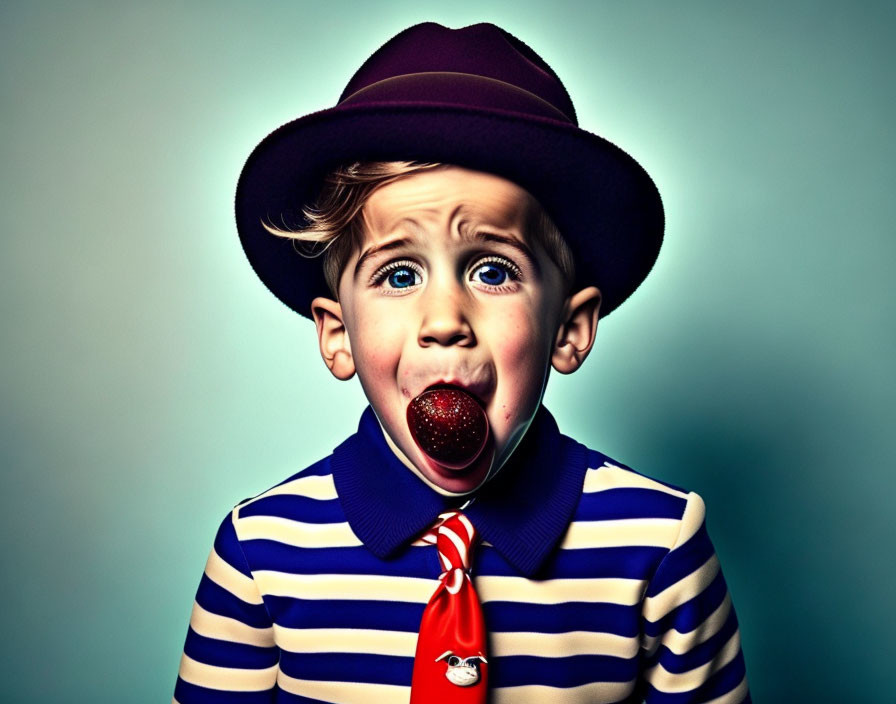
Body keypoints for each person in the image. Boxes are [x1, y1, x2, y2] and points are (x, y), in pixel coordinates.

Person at [173, 22, 749, 703]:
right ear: (336, 334)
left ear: (569, 328)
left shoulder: (659, 548)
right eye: (397, 275)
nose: (445, 321)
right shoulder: (259, 552)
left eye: (492, 270)